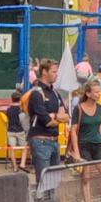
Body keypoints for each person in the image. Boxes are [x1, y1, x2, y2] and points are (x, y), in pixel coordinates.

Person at [73, 79, 101, 202]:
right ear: (88, 94)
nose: (99, 94)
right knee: (85, 178)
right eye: (96, 92)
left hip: (98, 144)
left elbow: (99, 125)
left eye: (99, 91)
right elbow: (73, 130)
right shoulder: (78, 108)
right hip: (84, 145)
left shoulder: (100, 108)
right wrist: (76, 152)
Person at [24, 60, 64, 190]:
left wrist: (54, 116)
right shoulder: (36, 93)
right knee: (43, 180)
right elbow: (46, 120)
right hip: (40, 141)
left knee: (54, 181)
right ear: (44, 72)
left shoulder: (55, 93)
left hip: (54, 141)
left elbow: (66, 115)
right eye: (53, 71)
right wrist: (56, 117)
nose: (56, 74)